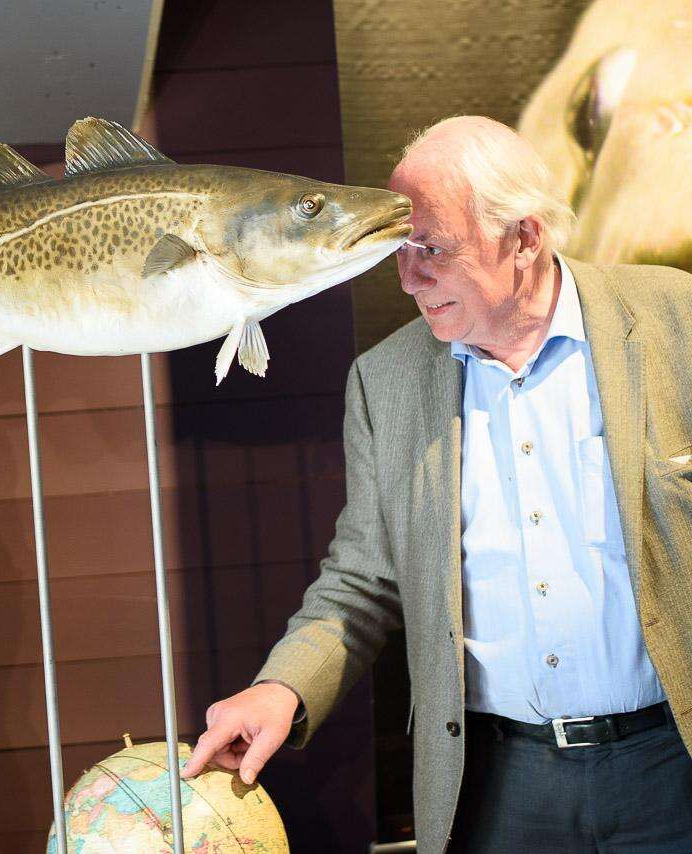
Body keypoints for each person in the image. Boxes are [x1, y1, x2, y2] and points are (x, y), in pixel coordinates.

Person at [181, 116, 692, 852]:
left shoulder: (674, 320)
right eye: (401, 249)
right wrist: (281, 688)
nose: (410, 277)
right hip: (501, 784)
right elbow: (362, 578)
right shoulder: (385, 382)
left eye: (434, 249)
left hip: (672, 757)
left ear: (525, 237)